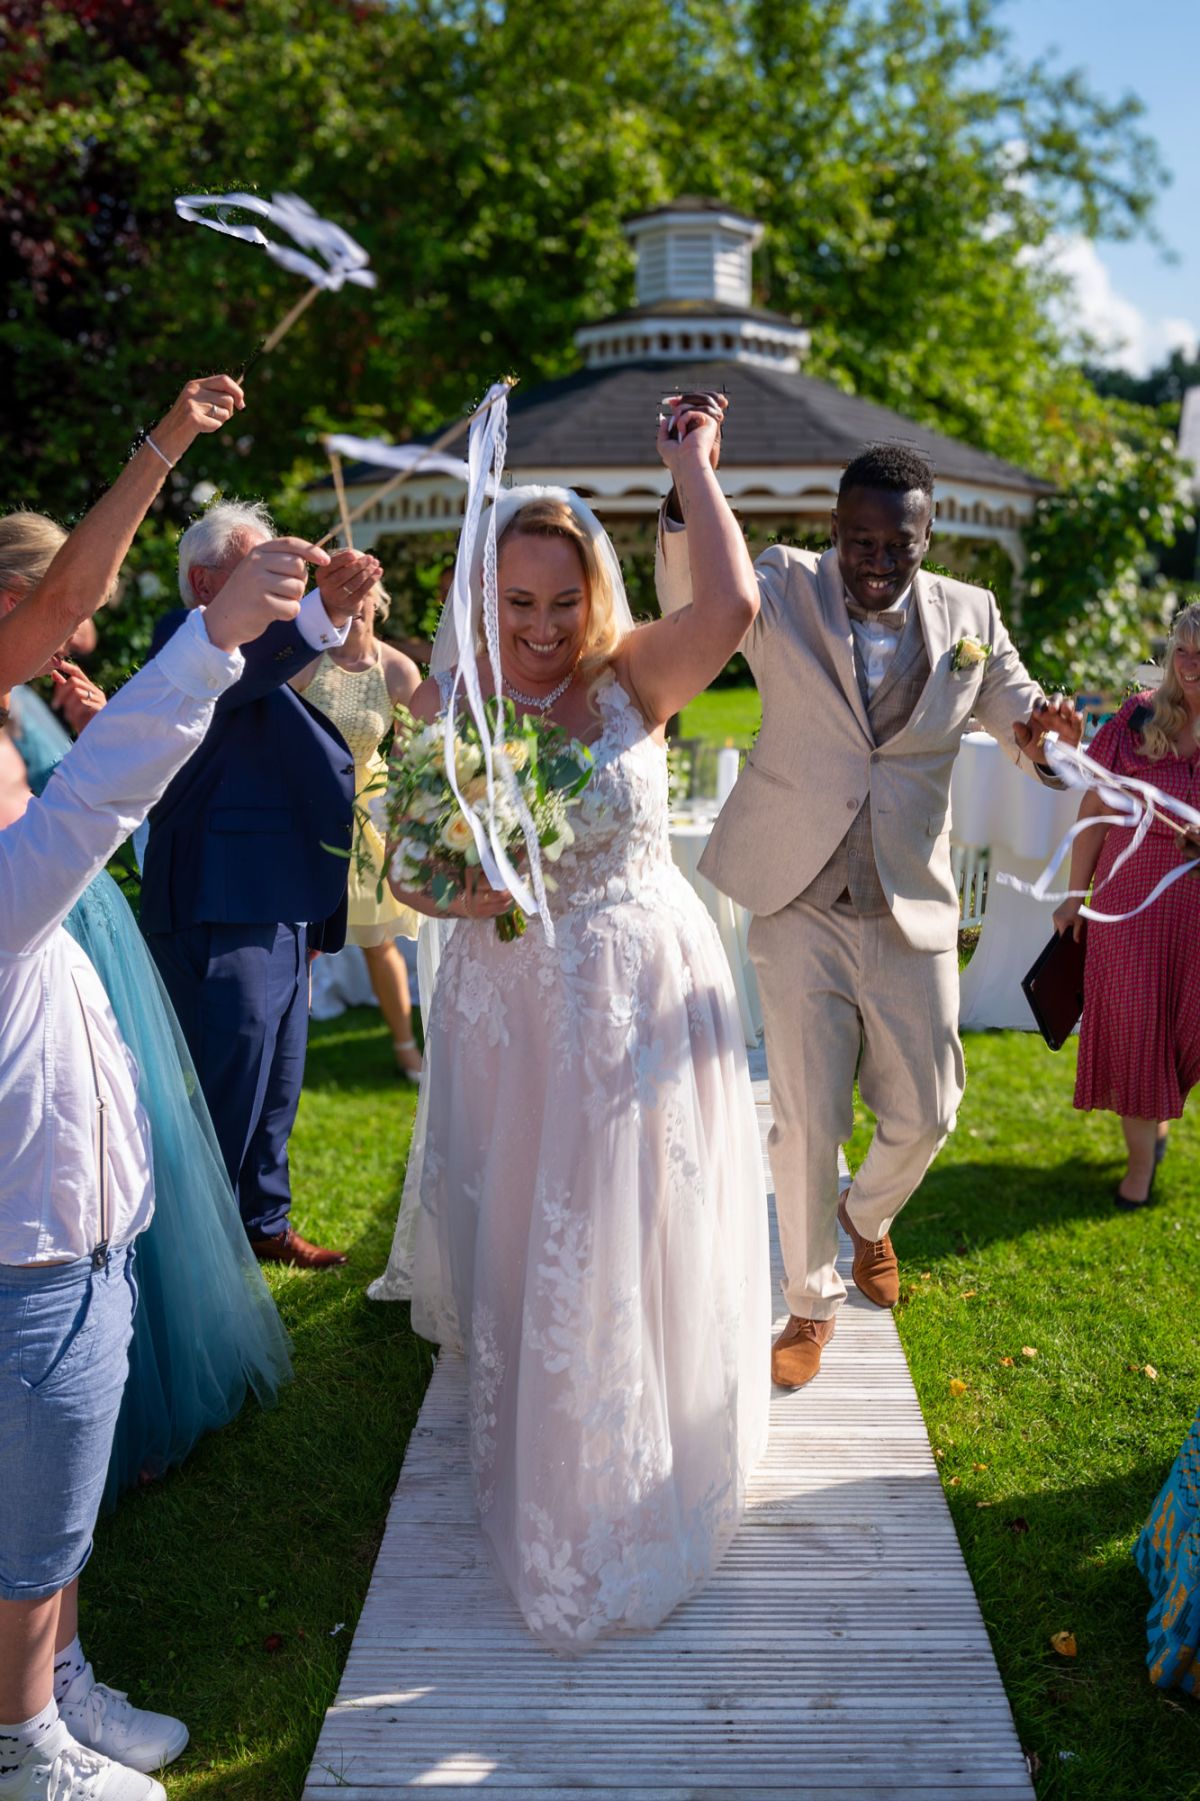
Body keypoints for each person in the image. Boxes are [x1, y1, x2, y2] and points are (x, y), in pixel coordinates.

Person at [370, 408, 771, 1650]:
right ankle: (546, 1424)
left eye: (561, 601)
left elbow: (738, 609)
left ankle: (640, 1439)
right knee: (538, 1218)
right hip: (514, 1007)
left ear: (593, 593)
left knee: (623, 1214)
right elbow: (413, 868)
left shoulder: (632, 678)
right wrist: (462, 890)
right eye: (516, 604)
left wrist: (691, 469)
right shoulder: (457, 702)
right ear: (482, 598)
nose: (540, 629)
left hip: (636, 990)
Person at [0, 513, 326, 1800]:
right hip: (30, 1246)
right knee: (32, 1517)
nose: (20, 774)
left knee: (58, 1503)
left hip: (72, 1232)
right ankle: (23, 1744)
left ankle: (55, 1687)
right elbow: (111, 779)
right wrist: (214, 637)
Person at [657, 420, 1082, 1388]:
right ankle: (809, 1303)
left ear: (926, 538)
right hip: (797, 897)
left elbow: (1025, 723)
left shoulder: (970, 615)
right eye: (861, 542)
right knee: (806, 1119)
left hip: (910, 906)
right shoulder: (781, 584)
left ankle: (868, 1217)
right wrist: (689, 489)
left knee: (931, 1107)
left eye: (899, 545)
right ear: (835, 531)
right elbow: (687, 598)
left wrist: (1049, 741)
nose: (878, 562)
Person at [0, 511, 292, 1513]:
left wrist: (86, 724)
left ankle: (119, 1385)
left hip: (80, 925)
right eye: (68, 615)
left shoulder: (35, 692)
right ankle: (89, 1425)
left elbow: (106, 775)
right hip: (37, 932)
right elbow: (83, 803)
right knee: (56, 1172)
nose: (80, 635)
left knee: (123, 1140)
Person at [141, 503, 382, 1269]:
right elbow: (256, 665)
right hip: (223, 897)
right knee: (230, 1076)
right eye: (261, 571)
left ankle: (261, 1222)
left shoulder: (268, 654)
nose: (280, 588)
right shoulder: (179, 646)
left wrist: (341, 615)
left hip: (286, 897)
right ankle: (193, 1246)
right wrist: (324, 608)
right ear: (206, 581)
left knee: (277, 1076)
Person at [1053, 600, 1200, 1208]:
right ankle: (1141, 1166)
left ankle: (1157, 1115)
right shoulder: (1137, 719)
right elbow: (1094, 809)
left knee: (1183, 1035)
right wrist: (1071, 896)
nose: (1191, 666)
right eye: (1182, 652)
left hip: (1193, 915)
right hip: (1131, 906)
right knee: (1139, 1028)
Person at [290, 579, 423, 1079]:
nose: (352, 613)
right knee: (296, 937)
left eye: (361, 603)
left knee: (377, 940)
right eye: (341, 605)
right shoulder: (306, 661)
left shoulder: (396, 669)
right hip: (305, 806)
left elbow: (415, 758)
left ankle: (406, 1043)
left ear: (375, 604)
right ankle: (285, 1045)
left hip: (369, 814)